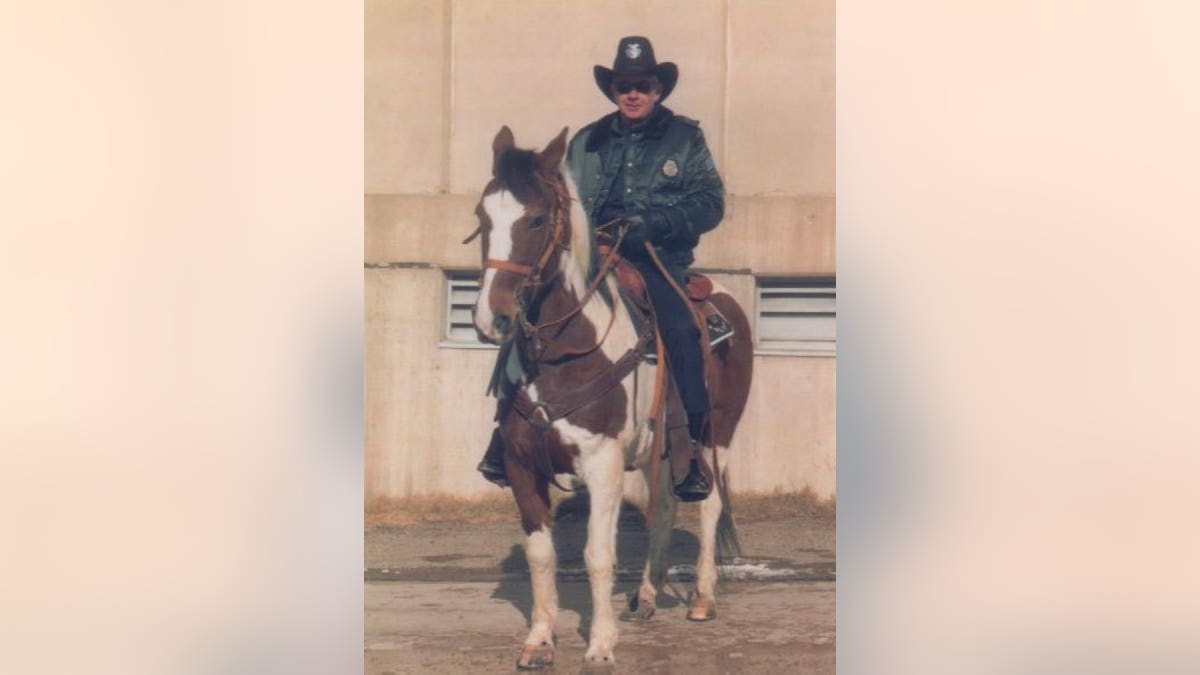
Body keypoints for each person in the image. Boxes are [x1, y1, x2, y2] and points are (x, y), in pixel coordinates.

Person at [478, 36, 723, 502]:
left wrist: (656, 221)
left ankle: (689, 446)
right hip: (591, 256)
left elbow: (711, 204)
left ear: (658, 90)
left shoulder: (684, 139)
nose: (632, 94)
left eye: (642, 85)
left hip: (656, 256)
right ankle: (503, 434)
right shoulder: (588, 139)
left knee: (680, 329)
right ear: (614, 90)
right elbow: (559, 202)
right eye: (624, 86)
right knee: (524, 317)